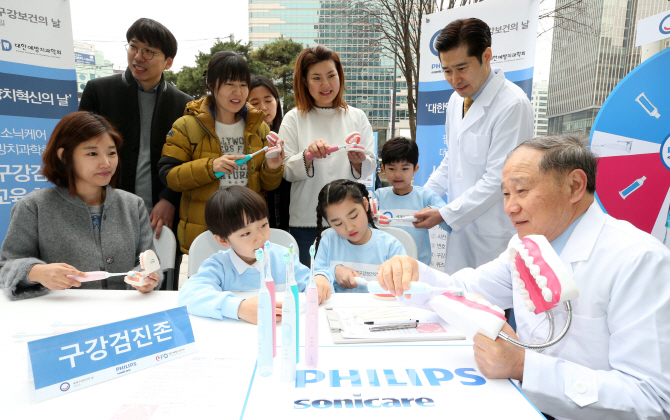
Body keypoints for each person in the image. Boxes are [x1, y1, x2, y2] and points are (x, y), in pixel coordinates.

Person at [376, 136, 670, 419]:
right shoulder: (526, 247)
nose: (510, 207)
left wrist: (524, 367)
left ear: (574, 186)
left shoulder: (638, 261)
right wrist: (412, 271)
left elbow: (653, 399)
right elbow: (465, 290)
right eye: (505, 194)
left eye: (522, 191)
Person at [413, 18, 534, 274]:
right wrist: (418, 198)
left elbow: (499, 179)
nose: (454, 79)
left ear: (486, 55)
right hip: (462, 232)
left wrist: (446, 214)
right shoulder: (456, 101)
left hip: (492, 234)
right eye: (447, 70)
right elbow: (451, 161)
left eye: (461, 67)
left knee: (491, 309)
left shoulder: (512, 104)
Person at [0, 112, 161, 300]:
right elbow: (6, 267)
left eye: (111, 152)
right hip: (62, 317)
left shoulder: (133, 205)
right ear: (64, 156)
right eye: (92, 153)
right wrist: (36, 272)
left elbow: (148, 262)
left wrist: (148, 277)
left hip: (125, 314)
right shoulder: (33, 207)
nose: (106, 163)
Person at [158, 51, 284, 253]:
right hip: (203, 234)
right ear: (211, 84)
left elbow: (268, 185)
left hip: (248, 235)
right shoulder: (187, 125)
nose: (238, 92)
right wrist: (210, 167)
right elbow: (169, 177)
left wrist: (273, 167)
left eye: (243, 85)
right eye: (229, 84)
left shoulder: (259, 128)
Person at [79, 18, 192, 244]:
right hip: (103, 208)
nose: (138, 57)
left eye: (149, 51)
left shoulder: (184, 104)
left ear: (168, 62)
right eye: (133, 47)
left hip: (160, 215)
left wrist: (169, 199)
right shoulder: (99, 91)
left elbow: (187, 160)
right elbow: (80, 150)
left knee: (158, 277)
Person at [279, 45, 376, 266]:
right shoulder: (294, 118)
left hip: (351, 222)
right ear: (304, 81)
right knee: (311, 288)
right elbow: (285, 171)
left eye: (331, 75)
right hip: (306, 222)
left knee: (352, 287)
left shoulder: (357, 117)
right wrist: (308, 155)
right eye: (316, 78)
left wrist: (358, 161)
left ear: (340, 76)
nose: (326, 84)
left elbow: (369, 167)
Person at [178, 187, 331, 324]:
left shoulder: (283, 257)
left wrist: (320, 278)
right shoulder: (218, 266)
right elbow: (188, 295)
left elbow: (310, 282)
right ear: (223, 240)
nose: (260, 238)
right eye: (246, 233)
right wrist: (239, 308)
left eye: (264, 225)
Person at [314, 180, 406, 293]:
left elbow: (405, 285)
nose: (349, 228)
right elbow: (315, 279)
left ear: (365, 205)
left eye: (353, 216)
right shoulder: (329, 239)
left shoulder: (390, 245)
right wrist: (334, 272)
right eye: (338, 224)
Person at [373, 137, 448, 266]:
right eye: (391, 168)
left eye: (405, 168)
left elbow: (447, 216)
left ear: (415, 169)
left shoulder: (426, 196)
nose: (397, 175)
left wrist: (432, 210)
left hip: (418, 267)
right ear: (383, 169)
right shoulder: (378, 197)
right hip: (385, 266)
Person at [248, 75, 291, 231]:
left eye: (268, 100)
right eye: (254, 103)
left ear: (277, 103)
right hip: (255, 216)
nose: (263, 107)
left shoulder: (288, 134)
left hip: (286, 214)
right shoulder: (244, 139)